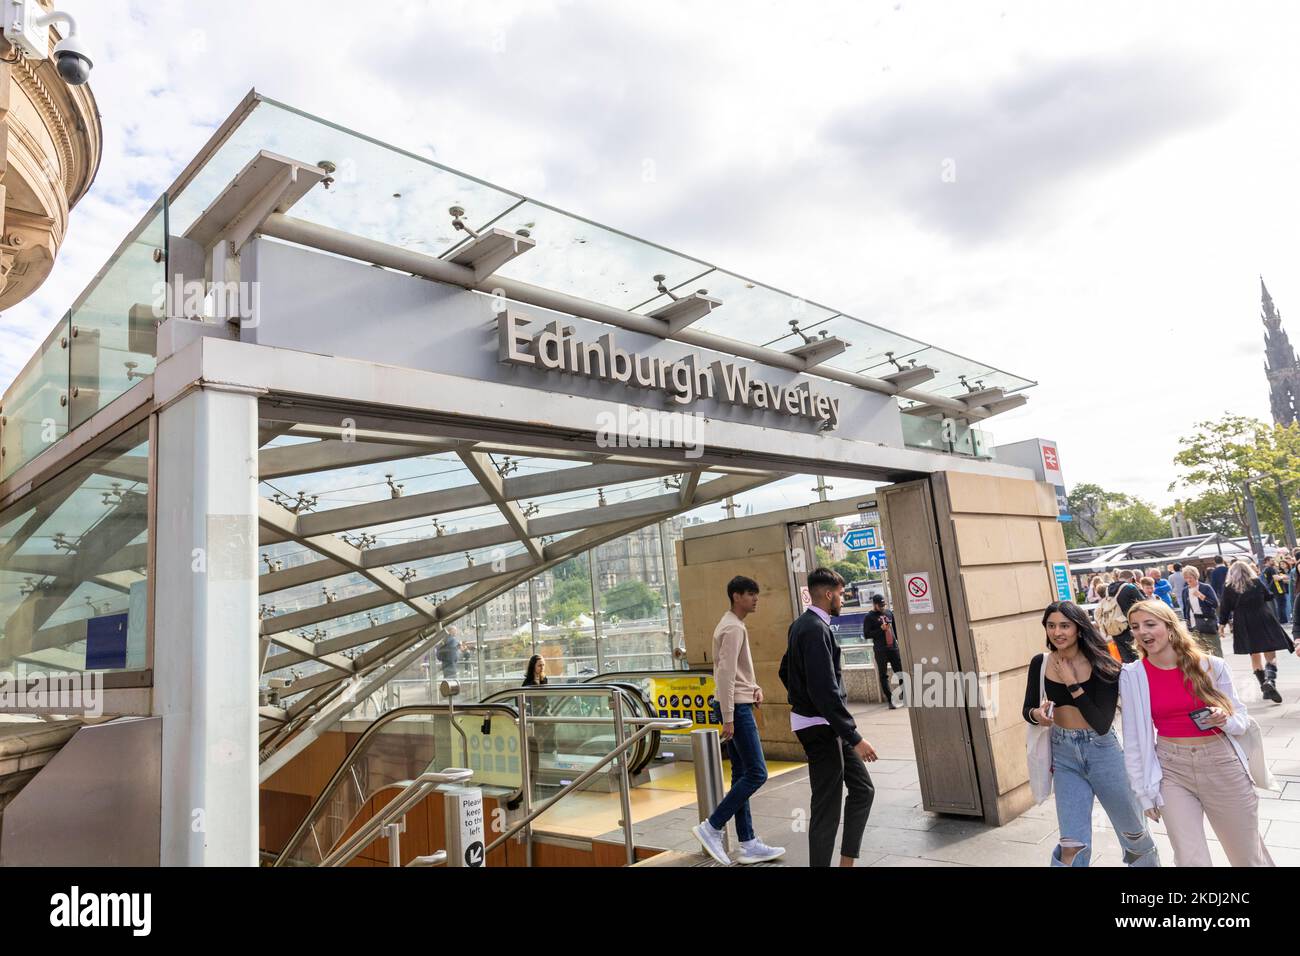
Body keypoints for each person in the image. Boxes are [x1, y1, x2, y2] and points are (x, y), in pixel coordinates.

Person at [1119, 599, 1274, 866]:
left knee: (1246, 856)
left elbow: (1241, 721)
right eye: (1135, 627)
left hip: (1221, 763)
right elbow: (1133, 739)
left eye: (1150, 624)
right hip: (1171, 769)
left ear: (1169, 627)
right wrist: (1143, 793)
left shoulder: (1211, 665)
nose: (1142, 632)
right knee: (1190, 859)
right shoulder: (1132, 675)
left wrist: (1224, 719)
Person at [1022, 601, 1158, 867]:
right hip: (1064, 757)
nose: (1057, 632)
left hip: (1104, 754)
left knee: (1135, 837)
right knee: (1071, 845)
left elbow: (1101, 722)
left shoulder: (1104, 664)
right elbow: (1027, 708)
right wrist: (1037, 715)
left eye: (1065, 625)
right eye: (1051, 626)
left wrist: (1072, 683)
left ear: (1079, 629)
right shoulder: (1041, 662)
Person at [779, 568, 877, 867]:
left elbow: (785, 671)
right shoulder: (813, 629)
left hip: (825, 725)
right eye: (841, 594)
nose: (843, 600)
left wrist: (803, 698)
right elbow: (824, 690)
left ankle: (847, 862)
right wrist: (854, 737)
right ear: (827, 593)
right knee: (827, 806)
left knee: (863, 789)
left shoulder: (804, 625)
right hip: (821, 728)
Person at [692, 575, 785, 865]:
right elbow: (724, 675)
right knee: (757, 773)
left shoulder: (734, 624)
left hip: (739, 703)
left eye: (756, 594)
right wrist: (730, 717)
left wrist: (753, 688)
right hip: (736, 710)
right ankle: (712, 826)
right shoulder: (732, 627)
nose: (755, 598)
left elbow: (735, 672)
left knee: (741, 774)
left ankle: (747, 843)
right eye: (750, 594)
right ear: (736, 596)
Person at [1218, 560, 1296, 704]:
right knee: (1270, 651)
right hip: (1263, 616)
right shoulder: (1256, 582)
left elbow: (1225, 607)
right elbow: (1269, 596)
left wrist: (1222, 624)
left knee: (1254, 655)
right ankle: (1271, 681)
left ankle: (1263, 686)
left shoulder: (1229, 587)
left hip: (1243, 621)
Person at [863, 594, 903, 709]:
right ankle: (890, 700)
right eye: (880, 605)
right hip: (881, 650)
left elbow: (896, 630)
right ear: (874, 605)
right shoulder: (869, 617)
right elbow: (866, 634)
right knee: (883, 675)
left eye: (884, 604)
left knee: (900, 672)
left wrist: (899, 643)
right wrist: (880, 630)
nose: (882, 607)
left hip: (893, 648)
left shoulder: (889, 613)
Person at [1100, 570, 1144, 662]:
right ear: (1132, 579)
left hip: (1114, 625)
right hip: (1129, 625)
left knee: (1124, 656)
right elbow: (1144, 604)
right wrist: (1140, 589)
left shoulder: (1109, 588)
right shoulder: (1130, 587)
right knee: (1135, 654)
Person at [1180, 565, 1222, 657]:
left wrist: (1201, 596)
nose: (1188, 580)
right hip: (1193, 624)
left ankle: (1220, 669)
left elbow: (1215, 604)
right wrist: (1187, 623)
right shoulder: (1185, 591)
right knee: (1201, 653)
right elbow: (1185, 609)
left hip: (1207, 622)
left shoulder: (1205, 588)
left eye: (1190, 577)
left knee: (1215, 650)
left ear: (1196, 576)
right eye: (1186, 578)